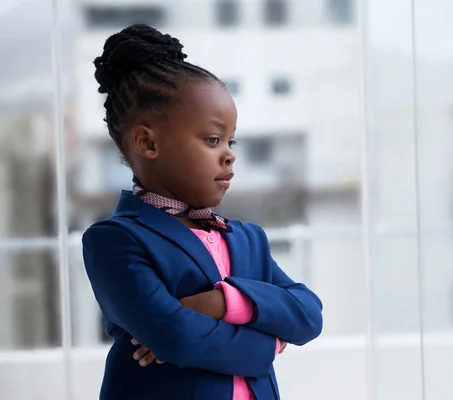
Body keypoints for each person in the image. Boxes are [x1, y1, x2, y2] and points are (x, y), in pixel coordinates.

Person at [82, 24, 323, 400]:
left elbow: (308, 315)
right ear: (148, 143)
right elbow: (176, 337)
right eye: (212, 140)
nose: (229, 153)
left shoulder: (247, 238)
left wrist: (221, 303)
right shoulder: (115, 240)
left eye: (231, 140)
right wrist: (271, 343)